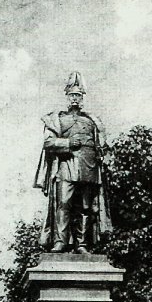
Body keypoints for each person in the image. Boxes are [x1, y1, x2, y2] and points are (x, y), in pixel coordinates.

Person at [34, 71, 112, 253]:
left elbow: (102, 146)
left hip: (88, 168)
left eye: (78, 95)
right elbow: (48, 143)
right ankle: (60, 241)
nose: (75, 99)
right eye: (72, 95)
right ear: (67, 97)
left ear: (82, 97)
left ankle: (82, 244)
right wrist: (68, 143)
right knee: (63, 204)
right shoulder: (58, 119)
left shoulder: (92, 121)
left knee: (85, 207)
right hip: (66, 167)